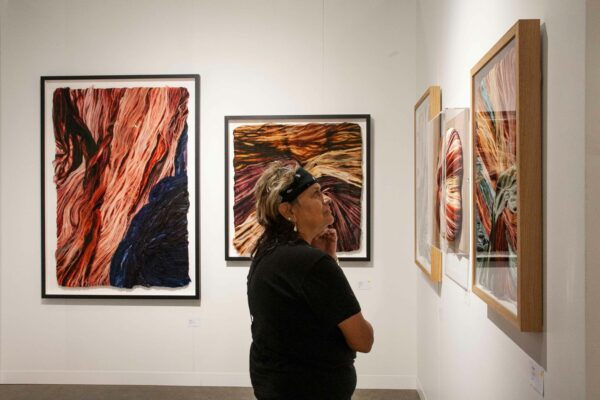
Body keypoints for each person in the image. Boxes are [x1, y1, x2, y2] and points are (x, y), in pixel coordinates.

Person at [247, 161, 374, 400]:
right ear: (288, 211)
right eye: (316, 194)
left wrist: (328, 258)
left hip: (276, 384)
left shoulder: (267, 253)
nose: (326, 199)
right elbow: (363, 340)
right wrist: (325, 263)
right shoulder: (309, 263)